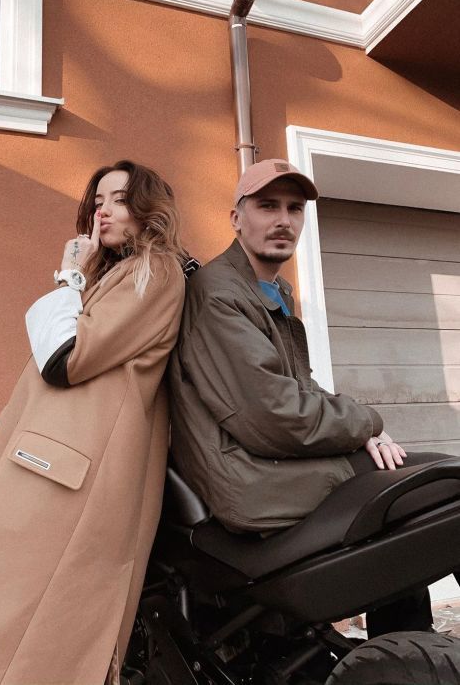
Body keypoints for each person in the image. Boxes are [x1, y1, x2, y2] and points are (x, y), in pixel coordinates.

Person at [0, 160, 186, 685]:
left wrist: (69, 275)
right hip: (53, 471)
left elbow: (65, 359)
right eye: (98, 202)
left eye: (119, 199)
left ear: (148, 208)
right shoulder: (122, 275)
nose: (103, 212)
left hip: (72, 481)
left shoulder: (155, 272)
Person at [169, 158, 459, 637]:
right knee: (430, 487)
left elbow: (302, 388)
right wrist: (366, 421)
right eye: (267, 206)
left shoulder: (269, 289)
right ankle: (406, 651)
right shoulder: (219, 294)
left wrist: (363, 432)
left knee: (425, 485)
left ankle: (406, 652)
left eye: (294, 208)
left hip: (277, 465)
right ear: (236, 218)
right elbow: (271, 415)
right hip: (252, 479)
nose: (284, 220)